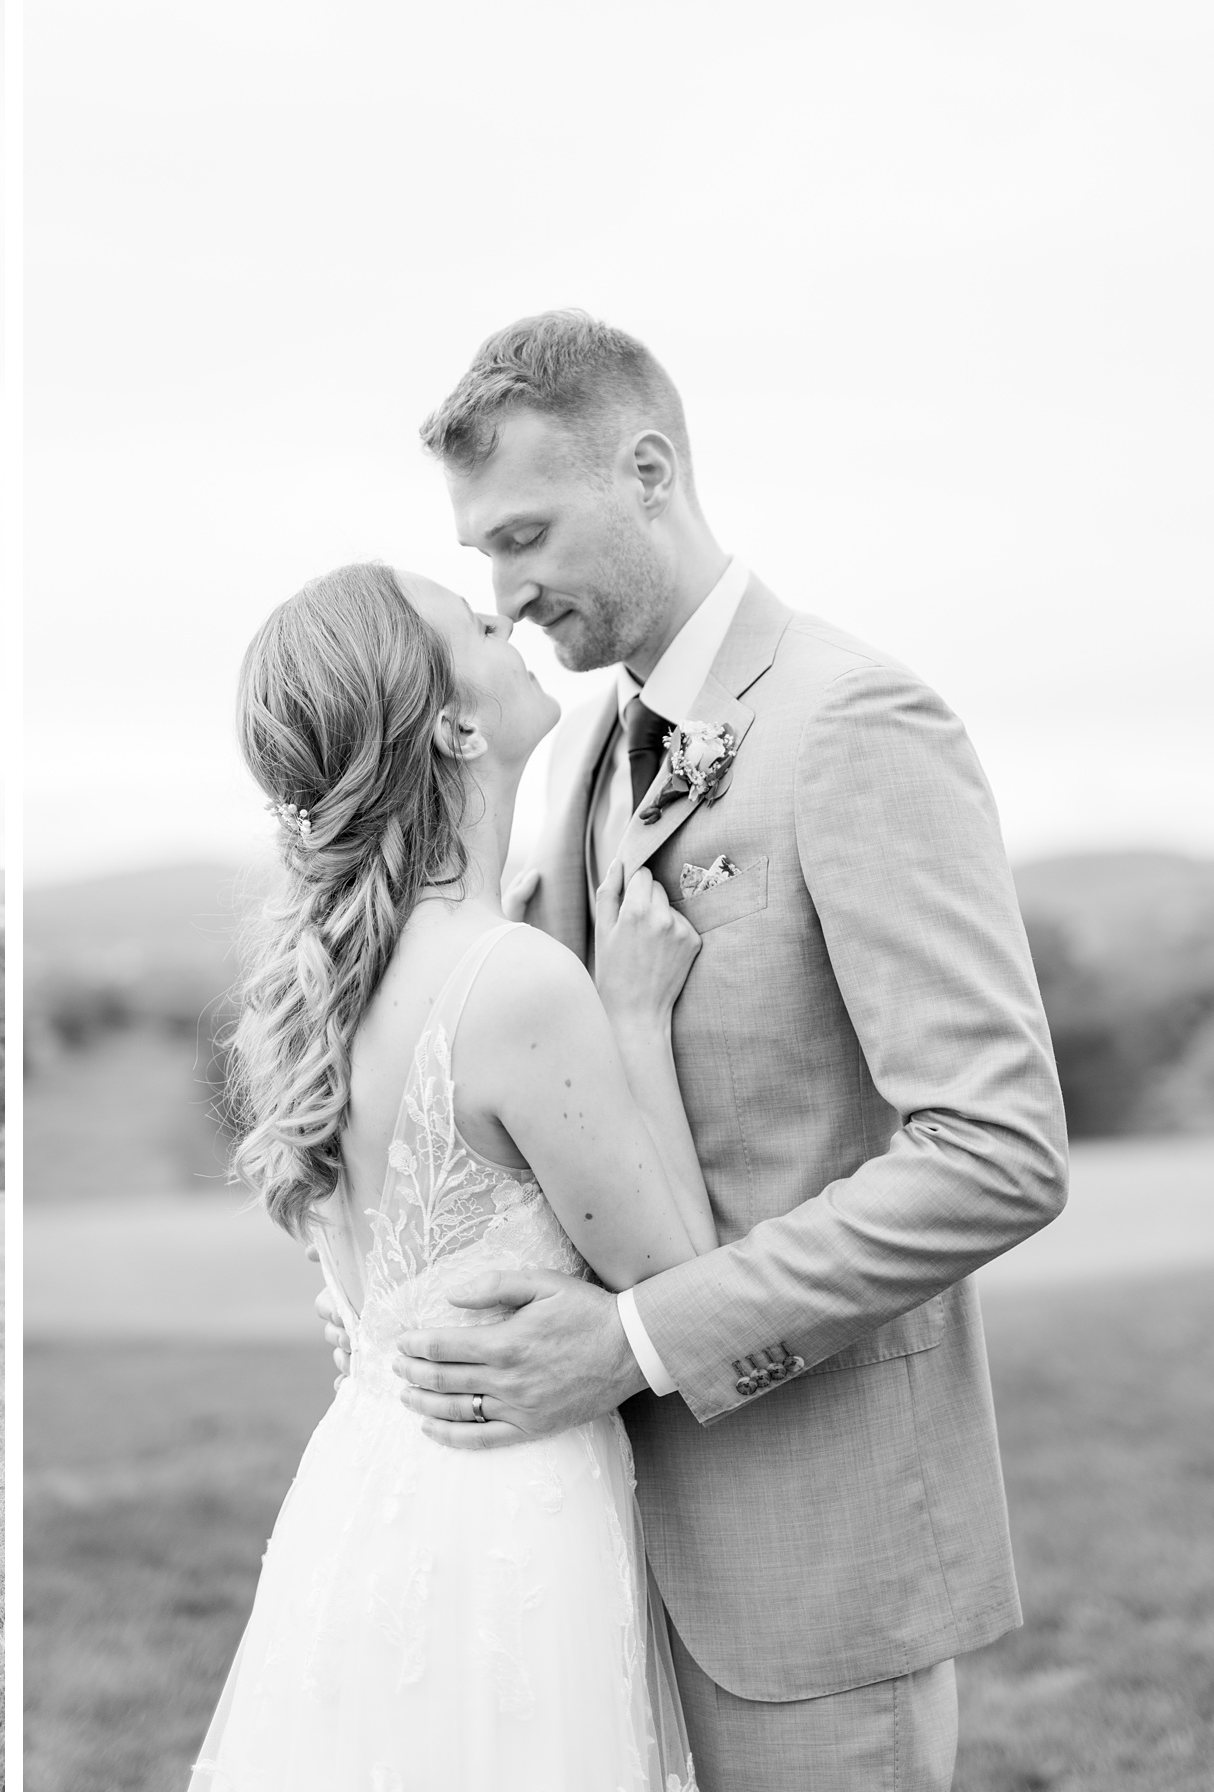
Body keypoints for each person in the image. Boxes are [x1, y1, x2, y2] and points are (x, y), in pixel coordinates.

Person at [331, 312, 1067, 1790]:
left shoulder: (854, 723)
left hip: (809, 1552)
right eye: (480, 553)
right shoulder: (593, 750)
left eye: (525, 532)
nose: (506, 586)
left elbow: (997, 1154)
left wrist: (636, 1343)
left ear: (649, 471)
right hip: (589, 1544)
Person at [193, 564, 714, 1789]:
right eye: (481, 627)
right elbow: (685, 1287)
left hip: (367, 1490)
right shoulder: (517, 981)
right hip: (508, 1519)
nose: (514, 619)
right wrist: (635, 1021)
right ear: (454, 723)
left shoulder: (340, 976)